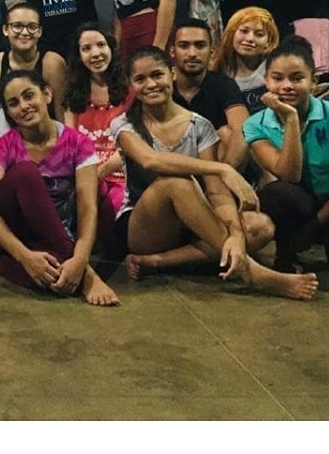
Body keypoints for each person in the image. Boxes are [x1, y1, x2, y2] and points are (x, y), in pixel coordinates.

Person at [110, 46, 317, 300]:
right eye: (140, 79)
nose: (151, 84)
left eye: (157, 75)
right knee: (177, 182)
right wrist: (222, 168)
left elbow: (216, 191)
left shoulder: (200, 125)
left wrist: (236, 235)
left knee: (259, 227)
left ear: (172, 74)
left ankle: (158, 261)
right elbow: (151, 161)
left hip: (193, 224)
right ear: (131, 84)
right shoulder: (124, 124)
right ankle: (253, 273)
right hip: (145, 226)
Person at [0, 68, 120, 307]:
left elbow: (87, 205)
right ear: (8, 112)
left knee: (54, 274)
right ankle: (87, 276)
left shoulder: (77, 143)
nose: (24, 106)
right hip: (6, 231)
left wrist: (79, 258)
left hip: (50, 234)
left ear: (47, 95)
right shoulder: (4, 147)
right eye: (14, 103)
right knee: (25, 173)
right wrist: (27, 258)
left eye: (29, 96)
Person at [244, 36, 329, 285]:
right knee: (278, 193)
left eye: (297, 78)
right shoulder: (254, 125)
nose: (287, 86)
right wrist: (290, 119)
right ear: (266, 81)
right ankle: (286, 252)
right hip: (298, 203)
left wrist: (314, 227)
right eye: (278, 78)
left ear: (313, 81)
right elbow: (289, 176)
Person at [62, 23, 131, 217]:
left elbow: (133, 146)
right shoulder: (73, 95)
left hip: (122, 175)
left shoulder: (130, 89)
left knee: (111, 208)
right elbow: (70, 145)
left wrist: (100, 172)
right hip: (86, 173)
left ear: (111, 48)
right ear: (79, 56)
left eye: (101, 45)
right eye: (86, 48)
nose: (95, 54)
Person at [170, 17, 248, 168]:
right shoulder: (161, 86)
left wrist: (226, 174)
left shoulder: (223, 84)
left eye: (200, 46)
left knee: (226, 133)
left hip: (217, 164)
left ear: (212, 52)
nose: (192, 53)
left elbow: (242, 128)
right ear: (172, 51)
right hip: (174, 160)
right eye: (184, 46)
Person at [0, 1, 68, 122]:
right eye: (17, 26)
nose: (25, 32)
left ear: (39, 31)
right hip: (9, 131)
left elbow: (63, 116)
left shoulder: (53, 63)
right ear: (5, 29)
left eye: (32, 27)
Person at [211, 7, 280, 114]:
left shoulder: (277, 68)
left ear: (268, 41)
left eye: (259, 34)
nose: (250, 38)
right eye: (244, 31)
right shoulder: (217, 71)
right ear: (232, 33)